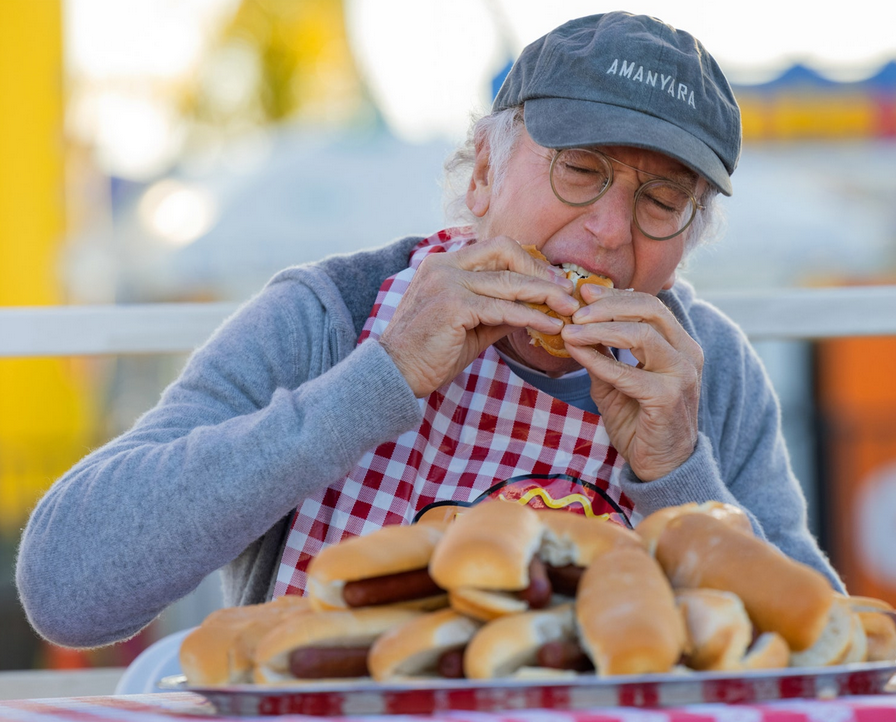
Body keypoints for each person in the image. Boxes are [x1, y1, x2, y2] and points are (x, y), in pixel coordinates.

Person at [16, 11, 843, 650]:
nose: (608, 233)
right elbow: (67, 592)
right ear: (481, 172)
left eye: (662, 202)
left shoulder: (708, 372)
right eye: (580, 170)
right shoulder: (331, 314)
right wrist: (381, 376)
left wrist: (675, 472)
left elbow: (824, 640)